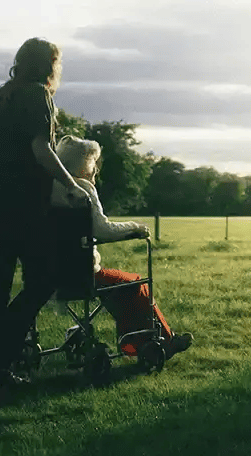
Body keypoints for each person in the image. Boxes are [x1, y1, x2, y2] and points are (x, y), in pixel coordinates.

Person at [0, 37, 90, 388]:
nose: (59, 70)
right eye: (58, 63)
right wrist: (72, 185)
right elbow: (41, 149)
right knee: (42, 281)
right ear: (48, 65)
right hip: (20, 208)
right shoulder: (38, 95)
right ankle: (2, 351)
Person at [50, 135, 194, 360]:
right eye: (92, 163)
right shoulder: (82, 188)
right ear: (83, 164)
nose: (95, 169)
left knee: (121, 287)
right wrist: (135, 227)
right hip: (82, 272)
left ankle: (138, 341)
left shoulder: (48, 187)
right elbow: (103, 229)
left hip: (49, 271)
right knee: (135, 284)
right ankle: (160, 341)